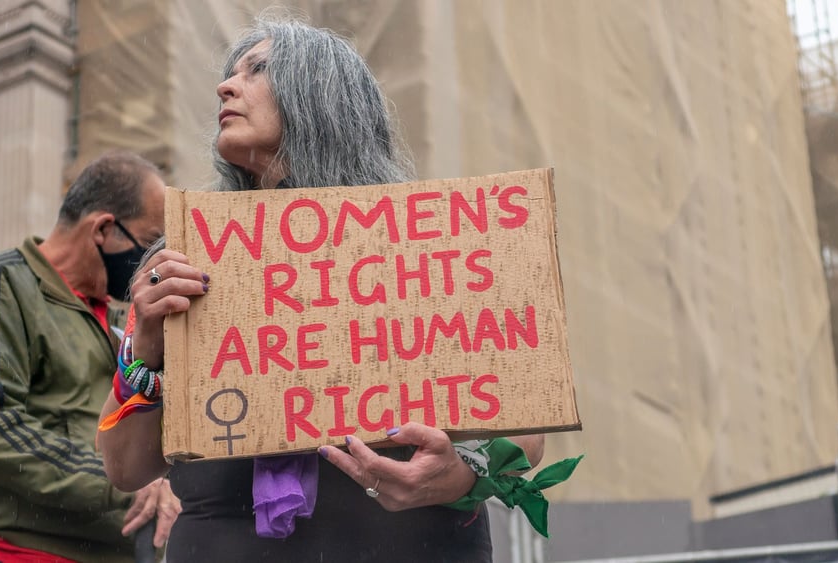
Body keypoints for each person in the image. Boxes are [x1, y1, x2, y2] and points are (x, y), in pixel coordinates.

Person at [97, 16, 545, 562]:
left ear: (321, 96)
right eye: (229, 72)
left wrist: (455, 478)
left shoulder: (420, 243)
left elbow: (525, 441)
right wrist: (143, 348)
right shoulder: (187, 260)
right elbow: (124, 468)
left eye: (257, 70)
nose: (226, 85)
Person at [0, 151, 180, 563]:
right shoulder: (1, 285)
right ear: (104, 230)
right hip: (30, 553)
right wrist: (115, 480)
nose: (152, 261)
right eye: (148, 243)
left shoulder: (125, 320)